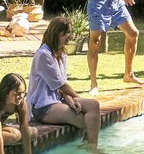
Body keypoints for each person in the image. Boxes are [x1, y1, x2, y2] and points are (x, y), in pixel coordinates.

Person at [28, 16, 102, 147]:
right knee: (86, 120)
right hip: (42, 106)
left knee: (94, 105)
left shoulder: (62, 54)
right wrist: (76, 97)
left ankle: (91, 146)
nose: (70, 36)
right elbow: (59, 84)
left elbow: (61, 84)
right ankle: (90, 147)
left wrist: (70, 100)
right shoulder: (43, 55)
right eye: (67, 33)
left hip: (58, 100)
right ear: (57, 33)